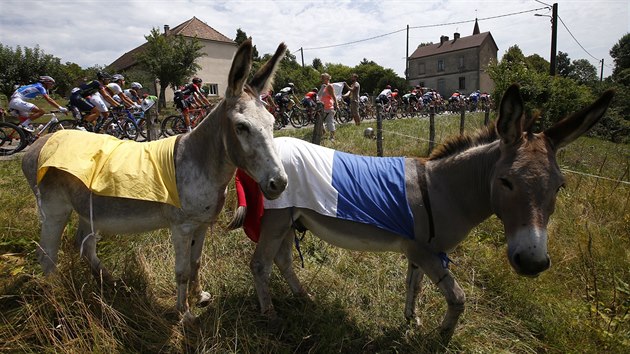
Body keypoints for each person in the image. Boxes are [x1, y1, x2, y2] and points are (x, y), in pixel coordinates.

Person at [317, 73, 338, 142]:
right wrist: (322, 87)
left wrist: (336, 104)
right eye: (322, 78)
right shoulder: (323, 86)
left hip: (329, 107)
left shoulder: (329, 86)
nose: (322, 79)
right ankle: (324, 133)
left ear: (328, 79)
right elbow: (319, 96)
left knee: (330, 122)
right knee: (320, 122)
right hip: (322, 107)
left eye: (324, 78)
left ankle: (332, 137)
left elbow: (333, 96)